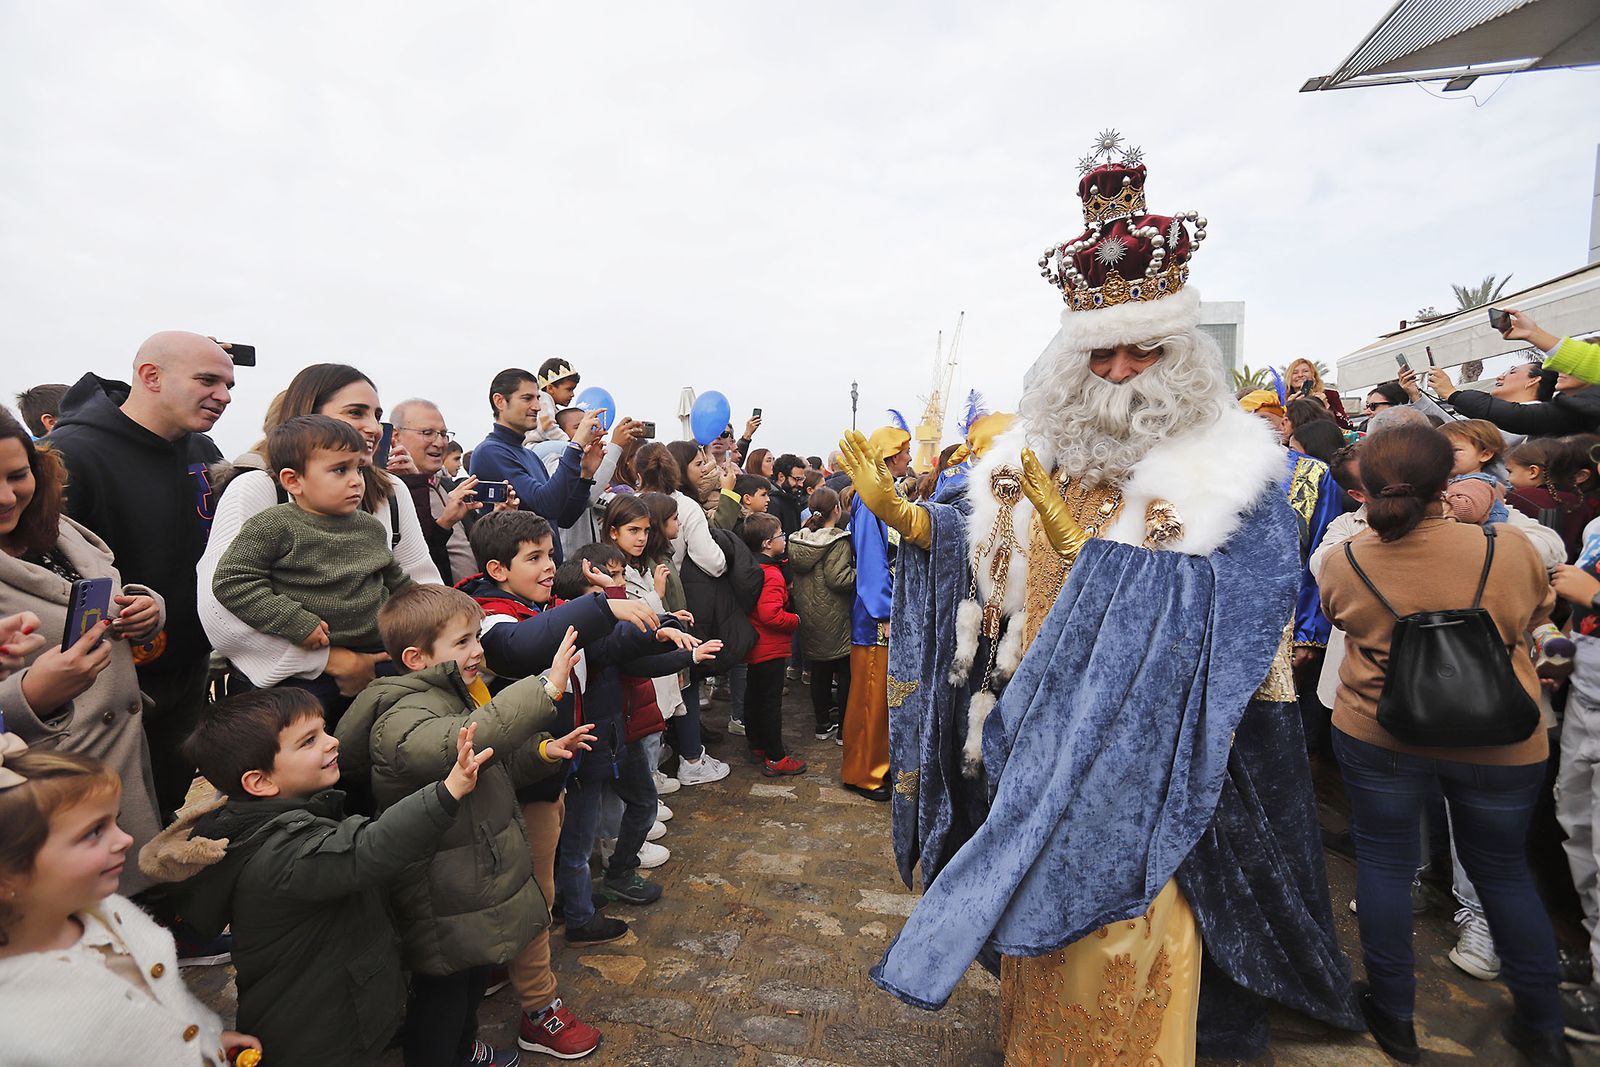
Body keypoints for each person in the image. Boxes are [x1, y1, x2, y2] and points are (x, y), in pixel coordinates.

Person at [852, 138, 1357, 1060]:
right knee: (1038, 933)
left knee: (1133, 936)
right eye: (1101, 354)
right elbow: (989, 537)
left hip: (1150, 755)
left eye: (1142, 349)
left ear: (1182, 353)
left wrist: (1112, 570)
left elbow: (1244, 610)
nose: (1120, 371)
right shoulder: (1024, 453)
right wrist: (917, 526)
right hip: (1035, 733)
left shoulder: (1238, 477)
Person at [1316, 425, 1569, 1064]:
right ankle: (1542, 1027)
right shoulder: (1508, 547)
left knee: (1382, 863)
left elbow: (1340, 616)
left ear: (1364, 487)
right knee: (1505, 872)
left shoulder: (1347, 558)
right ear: (1447, 481)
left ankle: (1394, 1015)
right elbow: (1537, 614)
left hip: (1381, 732)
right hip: (1502, 738)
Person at [146, 689, 497, 1066]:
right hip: (317, 1035)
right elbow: (366, 849)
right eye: (309, 740)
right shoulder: (283, 853)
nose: (332, 743)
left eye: (324, 730)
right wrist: (448, 791)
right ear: (260, 782)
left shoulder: (261, 820)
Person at [337, 585, 592, 1067]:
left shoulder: (454, 694)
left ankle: (460, 1048)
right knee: (443, 993)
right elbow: (450, 745)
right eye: (462, 642)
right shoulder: (400, 712)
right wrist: (546, 690)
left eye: (477, 637)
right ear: (415, 657)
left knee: (471, 980)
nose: (477, 650)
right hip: (440, 890)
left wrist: (540, 753)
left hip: (469, 882)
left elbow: (488, 767)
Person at [459, 510, 659, 1057]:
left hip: (546, 772)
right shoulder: (491, 615)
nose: (550, 567)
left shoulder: (537, 607)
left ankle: (511, 967)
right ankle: (540, 1010)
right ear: (497, 569)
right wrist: (602, 604)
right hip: (512, 782)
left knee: (530, 890)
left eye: (551, 555)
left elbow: (592, 646)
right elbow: (520, 648)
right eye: (535, 558)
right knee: (534, 895)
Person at [47, 332, 233, 817]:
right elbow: (45, 571)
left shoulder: (202, 449)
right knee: (110, 816)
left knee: (167, 805)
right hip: (106, 681)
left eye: (228, 384)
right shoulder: (70, 453)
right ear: (150, 376)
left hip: (189, 666)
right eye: (207, 380)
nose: (225, 395)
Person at [0, 741, 260, 1066]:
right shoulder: (12, 1026)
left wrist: (209, 1040)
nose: (125, 839)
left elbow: (163, 1001)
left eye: (115, 821)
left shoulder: (112, 910)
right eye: (93, 832)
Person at [198, 363, 442, 699]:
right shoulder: (259, 489)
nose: (373, 427)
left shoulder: (393, 491)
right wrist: (330, 660)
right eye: (356, 412)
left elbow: (418, 587)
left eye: (377, 414)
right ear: (308, 417)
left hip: (384, 677)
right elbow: (219, 611)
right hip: (290, 697)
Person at [0, 407, 165, 895]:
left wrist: (145, 607)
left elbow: (86, 593)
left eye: (17, 475)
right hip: (49, 779)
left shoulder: (56, 529)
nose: (7, 496)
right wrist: (32, 695)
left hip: (121, 754)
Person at [212, 416, 415, 722]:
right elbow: (233, 581)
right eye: (339, 470)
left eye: (358, 468)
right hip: (307, 673)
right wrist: (294, 620)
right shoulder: (273, 525)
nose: (356, 480)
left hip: (378, 652)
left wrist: (434, 614)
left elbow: (397, 583)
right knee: (305, 738)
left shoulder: (369, 527)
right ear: (293, 480)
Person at [469, 368, 606, 564]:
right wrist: (574, 446)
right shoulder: (490, 452)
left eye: (537, 399)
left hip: (545, 577)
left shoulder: (529, 455)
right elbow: (546, 505)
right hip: (515, 583)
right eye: (527, 398)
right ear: (499, 401)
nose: (537, 407)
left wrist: (585, 474)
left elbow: (564, 517)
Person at [839, 425, 910, 802]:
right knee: (870, 694)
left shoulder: (885, 495)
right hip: (876, 615)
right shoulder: (869, 501)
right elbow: (870, 561)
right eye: (905, 451)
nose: (910, 458)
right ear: (889, 456)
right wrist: (884, 609)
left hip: (887, 608)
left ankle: (876, 764)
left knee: (882, 694)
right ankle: (862, 772)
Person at [391, 398, 490, 585]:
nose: (439, 442)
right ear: (395, 436)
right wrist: (444, 523)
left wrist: (500, 517)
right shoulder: (387, 492)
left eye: (444, 434)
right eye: (427, 433)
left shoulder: (447, 486)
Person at [787, 485, 855, 740]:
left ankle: (822, 724)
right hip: (835, 614)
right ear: (836, 510)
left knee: (820, 670)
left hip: (810, 614)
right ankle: (844, 731)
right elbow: (838, 579)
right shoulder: (837, 540)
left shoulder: (798, 539)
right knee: (844, 671)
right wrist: (861, 575)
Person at [740, 513, 804, 776]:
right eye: (780, 535)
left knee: (754, 696)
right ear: (767, 543)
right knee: (769, 703)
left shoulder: (751, 567)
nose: (784, 539)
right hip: (770, 647)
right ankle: (776, 757)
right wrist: (795, 619)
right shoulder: (772, 575)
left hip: (756, 646)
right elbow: (771, 615)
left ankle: (757, 745)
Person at [1428, 355, 1600, 439]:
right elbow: (1456, 428)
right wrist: (1416, 396)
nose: (1500, 377)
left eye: (1512, 372)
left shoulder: (1539, 421)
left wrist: (1452, 394)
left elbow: (1467, 434)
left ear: (1533, 380)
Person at [1440, 419, 1512, 526]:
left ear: (1485, 455)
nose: (1446, 454)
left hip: (1477, 540)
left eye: (1456, 450)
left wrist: (1435, 499)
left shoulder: (1479, 483)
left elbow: (1466, 511)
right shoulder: (1459, 482)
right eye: (1440, 449)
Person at [1286, 358, 1351, 427]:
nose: (1300, 375)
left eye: (1305, 371)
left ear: (1313, 375)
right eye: (1295, 372)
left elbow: (1347, 425)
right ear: (1289, 377)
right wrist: (1289, 408)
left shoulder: (1330, 395)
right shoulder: (1281, 400)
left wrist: (1326, 406)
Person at [768, 453, 807, 536]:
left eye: (802, 479)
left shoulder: (791, 499)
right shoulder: (772, 502)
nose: (801, 485)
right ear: (781, 476)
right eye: (797, 479)